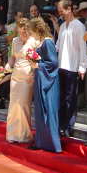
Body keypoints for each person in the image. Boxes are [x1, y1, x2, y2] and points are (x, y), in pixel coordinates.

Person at [55, 0, 87, 137]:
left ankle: (69, 126)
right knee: (62, 97)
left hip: (73, 67)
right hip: (61, 66)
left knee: (71, 98)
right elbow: (57, 45)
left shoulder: (79, 26)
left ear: (69, 9)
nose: (60, 13)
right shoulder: (62, 26)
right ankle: (61, 125)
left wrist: (82, 66)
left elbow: (82, 47)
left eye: (61, 11)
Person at [29, 17, 61, 153]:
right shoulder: (42, 42)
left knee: (48, 110)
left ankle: (52, 144)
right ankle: (41, 141)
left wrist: (37, 65)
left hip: (48, 82)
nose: (31, 34)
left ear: (37, 30)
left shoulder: (47, 42)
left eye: (31, 31)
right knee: (41, 112)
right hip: (42, 79)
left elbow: (53, 63)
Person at [6, 18, 35, 143]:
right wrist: (7, 65)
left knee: (24, 105)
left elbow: (36, 61)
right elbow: (12, 58)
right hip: (15, 77)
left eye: (25, 28)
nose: (23, 31)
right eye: (21, 28)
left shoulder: (33, 41)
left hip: (27, 77)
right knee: (13, 105)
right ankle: (12, 135)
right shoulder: (15, 41)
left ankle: (25, 135)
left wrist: (33, 74)